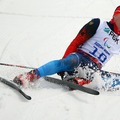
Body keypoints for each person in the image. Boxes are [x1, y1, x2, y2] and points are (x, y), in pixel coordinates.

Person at [13, 6, 120, 87]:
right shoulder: (99, 24)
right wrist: (64, 62)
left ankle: (77, 81)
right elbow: (76, 42)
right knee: (69, 61)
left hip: (94, 68)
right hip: (81, 57)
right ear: (115, 16)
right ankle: (30, 76)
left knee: (104, 78)